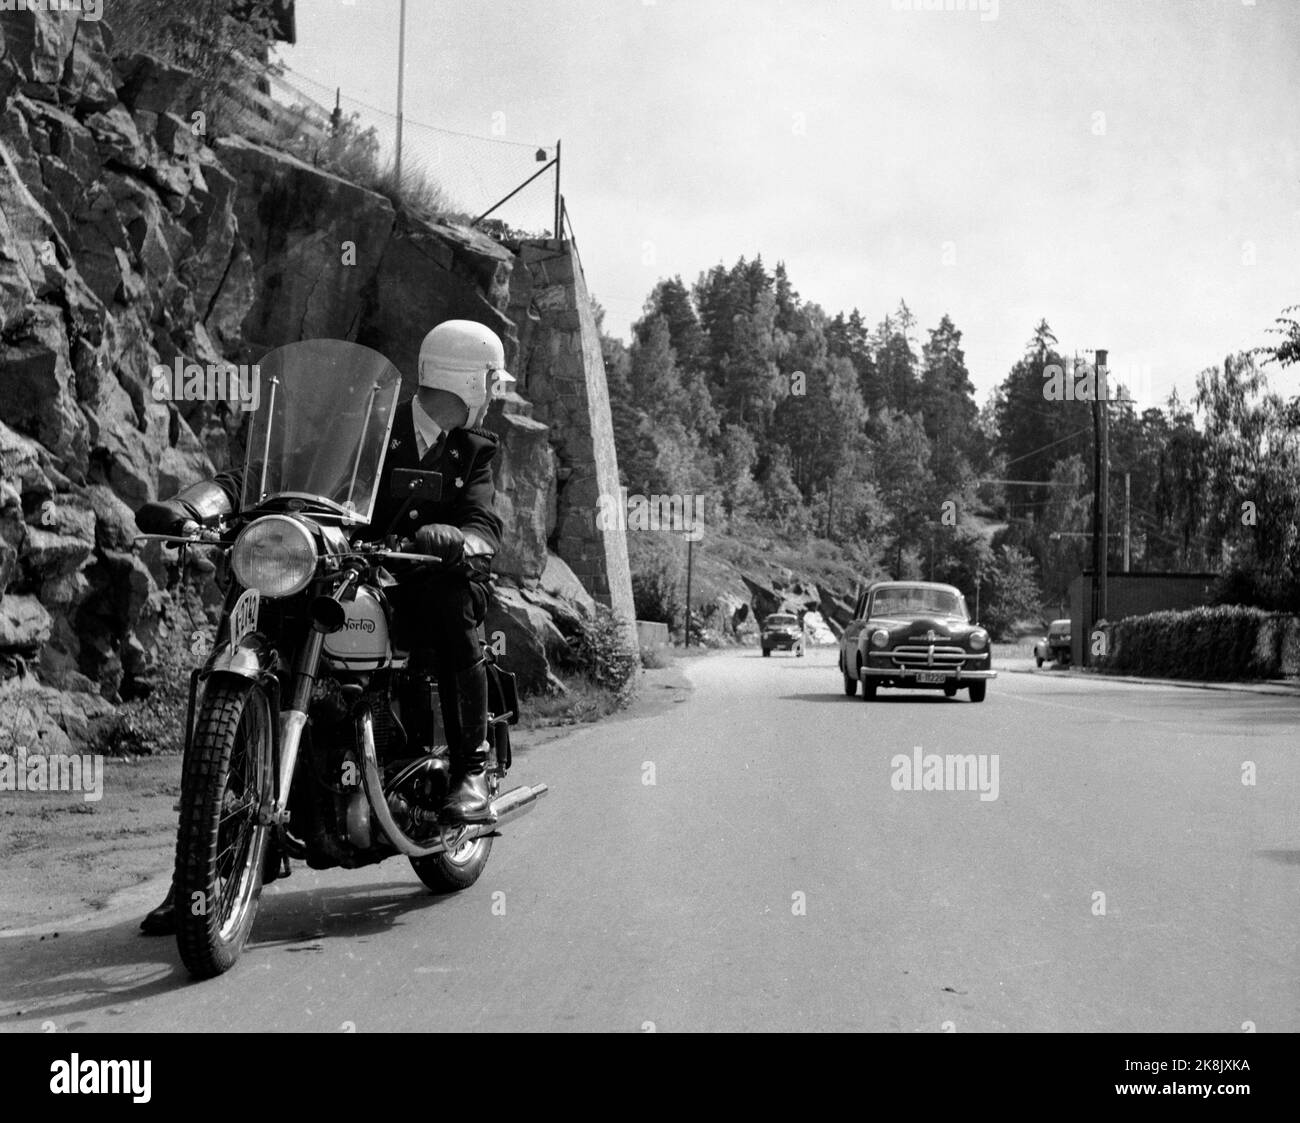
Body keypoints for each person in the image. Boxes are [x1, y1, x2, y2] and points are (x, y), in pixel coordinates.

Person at [134, 321, 515, 935]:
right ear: (474, 380)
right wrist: (200, 503)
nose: (494, 395)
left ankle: (469, 772)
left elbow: (483, 523)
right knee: (247, 613)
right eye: (493, 383)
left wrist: (460, 539)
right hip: (336, 571)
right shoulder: (371, 420)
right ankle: (198, 877)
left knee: (450, 605)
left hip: (417, 579)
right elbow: (282, 472)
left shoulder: (473, 451)